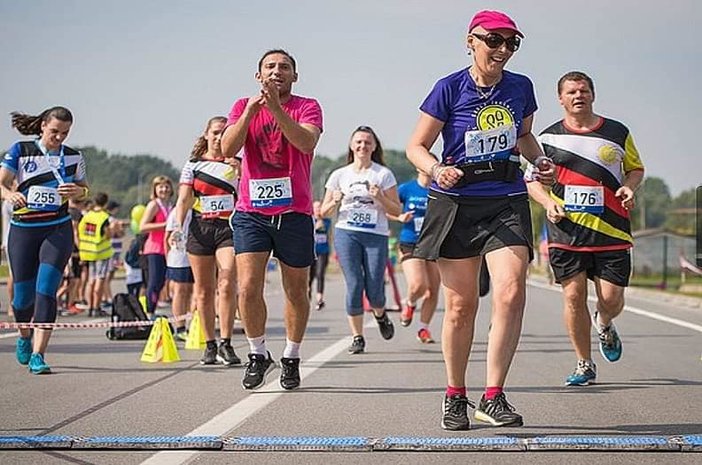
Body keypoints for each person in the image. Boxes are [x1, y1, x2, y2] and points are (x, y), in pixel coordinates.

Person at [405, 10, 554, 430]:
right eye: (495, 41)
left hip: (505, 197)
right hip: (455, 201)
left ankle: (493, 395)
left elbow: (523, 136)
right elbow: (416, 145)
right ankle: (455, 395)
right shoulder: (448, 87)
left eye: (512, 43)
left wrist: (539, 159)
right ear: (471, 40)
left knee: (510, 291)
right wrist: (436, 169)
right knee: (460, 305)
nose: (503, 50)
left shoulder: (521, 87)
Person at [526, 71, 644, 386]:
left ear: (593, 94)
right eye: (571, 92)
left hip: (612, 231)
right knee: (574, 296)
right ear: (560, 99)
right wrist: (548, 203)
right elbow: (531, 182)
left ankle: (604, 322)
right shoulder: (547, 139)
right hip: (566, 230)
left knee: (612, 299)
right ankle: (584, 363)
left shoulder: (617, 132)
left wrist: (629, 187)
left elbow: (634, 169)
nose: (578, 96)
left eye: (584, 90)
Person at [221, 48, 323, 390]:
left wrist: (277, 109)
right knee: (247, 287)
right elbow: (226, 149)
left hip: (294, 212)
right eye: (270, 66)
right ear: (258, 75)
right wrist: (251, 111)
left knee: (296, 290)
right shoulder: (241, 106)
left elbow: (306, 142)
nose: (277, 71)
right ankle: (257, 353)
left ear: (295, 76)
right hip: (252, 212)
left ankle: (291, 356)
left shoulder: (307, 106)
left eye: (284, 67)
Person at [0, 106, 89, 374]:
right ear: (42, 127)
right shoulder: (21, 150)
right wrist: (9, 195)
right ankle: (24, 336)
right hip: (24, 229)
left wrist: (78, 191)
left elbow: (85, 189)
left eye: (65, 133)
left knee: (47, 290)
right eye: (54, 132)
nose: (59, 138)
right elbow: (1, 183)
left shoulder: (74, 157)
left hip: (57, 229)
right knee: (22, 299)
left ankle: (39, 354)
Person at [321, 126, 401, 354]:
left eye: (367, 142)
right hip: (347, 233)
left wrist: (380, 198)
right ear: (351, 145)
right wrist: (333, 201)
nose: (362, 146)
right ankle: (357, 336)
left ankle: (380, 314)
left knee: (375, 288)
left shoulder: (383, 174)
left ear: (374, 146)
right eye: (358, 142)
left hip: (375, 234)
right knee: (355, 284)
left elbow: (396, 208)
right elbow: (324, 212)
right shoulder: (339, 175)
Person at [174, 116, 241, 365]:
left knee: (226, 282)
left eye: (224, 133)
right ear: (206, 134)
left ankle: (226, 343)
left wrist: (241, 171)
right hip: (200, 228)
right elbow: (183, 200)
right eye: (215, 132)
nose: (218, 137)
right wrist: (175, 228)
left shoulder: (237, 164)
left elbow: (246, 193)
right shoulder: (192, 165)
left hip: (228, 228)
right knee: (202, 291)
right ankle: (209, 344)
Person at [392, 171, 441, 344]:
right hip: (410, 242)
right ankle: (410, 303)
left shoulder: (440, 189)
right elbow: (387, 207)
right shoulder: (406, 188)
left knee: (433, 290)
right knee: (419, 284)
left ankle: (423, 328)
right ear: (419, 168)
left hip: (433, 243)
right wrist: (399, 217)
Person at [139, 176, 174, 317]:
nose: (164, 190)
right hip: (154, 248)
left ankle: (153, 309)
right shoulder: (154, 205)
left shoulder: (171, 205)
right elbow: (142, 226)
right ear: (155, 189)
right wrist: (165, 225)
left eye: (166, 186)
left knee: (161, 283)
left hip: (168, 248)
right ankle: (149, 312)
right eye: (160, 187)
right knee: (154, 282)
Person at [78, 192, 114, 317]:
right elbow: (108, 234)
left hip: (87, 251)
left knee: (90, 280)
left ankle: (90, 307)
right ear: (105, 203)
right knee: (100, 279)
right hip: (101, 252)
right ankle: (96, 307)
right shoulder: (104, 217)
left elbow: (80, 231)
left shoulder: (87, 216)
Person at [164, 207, 193, 342]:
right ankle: (180, 327)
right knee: (180, 291)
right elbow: (167, 238)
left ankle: (191, 325)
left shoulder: (197, 209)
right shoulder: (177, 211)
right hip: (179, 257)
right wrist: (167, 259)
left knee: (191, 291)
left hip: (195, 253)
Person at [309, 200, 332, 311]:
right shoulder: (309, 220)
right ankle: (307, 295)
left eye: (320, 207)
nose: (318, 209)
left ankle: (319, 299)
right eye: (316, 207)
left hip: (323, 251)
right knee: (310, 276)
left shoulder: (327, 221)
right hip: (310, 252)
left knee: (320, 274)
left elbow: (328, 234)